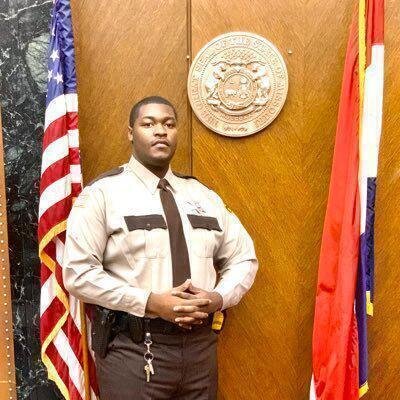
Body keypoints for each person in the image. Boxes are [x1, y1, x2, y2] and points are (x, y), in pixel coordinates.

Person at [63, 96, 258, 399]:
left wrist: (218, 298)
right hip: (133, 349)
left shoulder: (204, 197)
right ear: (131, 133)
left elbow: (243, 258)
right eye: (149, 123)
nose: (160, 131)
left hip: (199, 349)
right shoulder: (103, 194)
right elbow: (78, 274)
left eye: (169, 124)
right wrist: (150, 302)